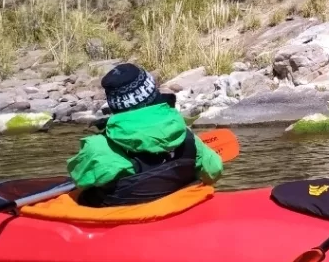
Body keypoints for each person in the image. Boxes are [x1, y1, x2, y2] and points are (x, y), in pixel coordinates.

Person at [66, 63, 224, 207]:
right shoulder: (188, 138)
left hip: (123, 224)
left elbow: (80, 178)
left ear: (114, 105)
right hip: (173, 212)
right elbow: (214, 170)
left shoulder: (98, 148)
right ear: (153, 94)